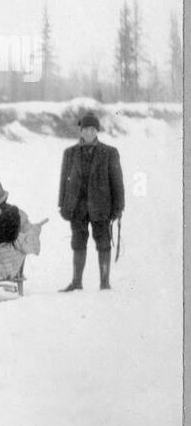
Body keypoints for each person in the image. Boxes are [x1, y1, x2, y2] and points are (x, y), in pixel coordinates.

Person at [57, 111, 124, 291]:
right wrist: (62, 205)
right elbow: (64, 181)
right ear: (80, 130)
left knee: (103, 242)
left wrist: (118, 206)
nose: (89, 132)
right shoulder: (70, 153)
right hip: (77, 206)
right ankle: (76, 282)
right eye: (86, 129)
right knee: (78, 243)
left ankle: (105, 283)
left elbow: (117, 181)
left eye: (92, 129)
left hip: (101, 206)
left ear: (97, 131)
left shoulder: (109, 153)